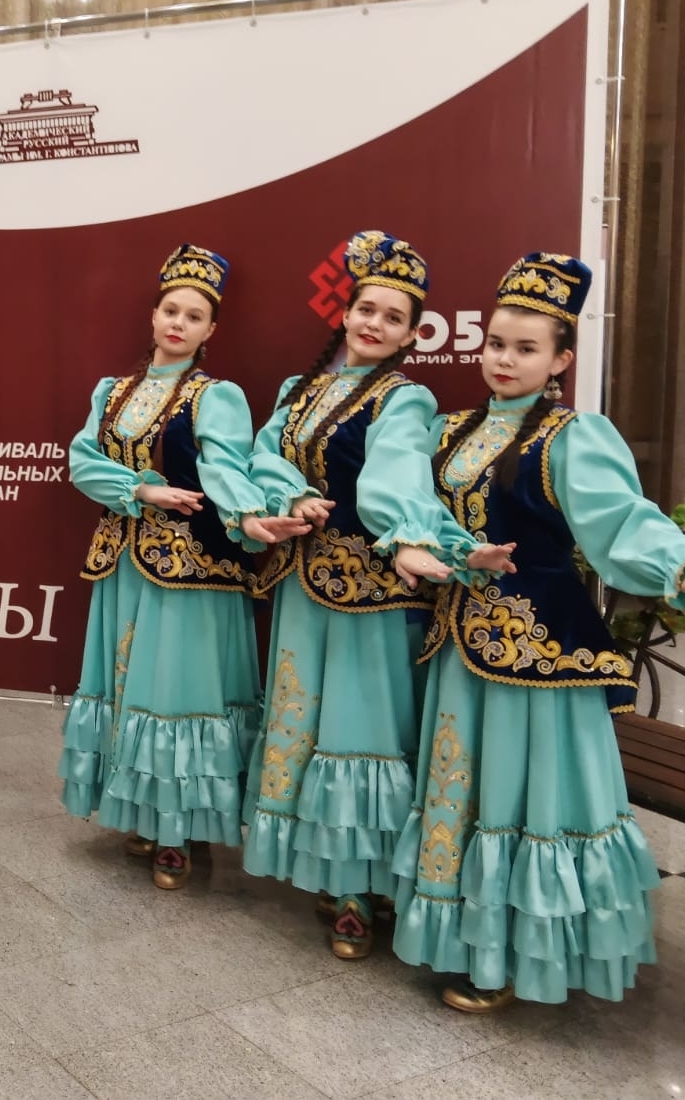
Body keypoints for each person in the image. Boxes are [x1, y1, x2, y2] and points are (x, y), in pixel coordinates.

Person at [390, 253, 685, 1012]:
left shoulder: (572, 437)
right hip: (460, 644)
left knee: (529, 798)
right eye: (496, 344)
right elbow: (413, 510)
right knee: (466, 789)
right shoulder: (451, 430)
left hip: (540, 652)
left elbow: (620, 519)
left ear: (559, 360)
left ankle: (518, 955)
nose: (504, 360)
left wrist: (681, 566)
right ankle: (470, 942)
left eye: (526, 348)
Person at [241, 230, 506, 959]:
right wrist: (290, 495)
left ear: (411, 334)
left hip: (376, 589)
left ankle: (365, 883)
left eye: (394, 318)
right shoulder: (298, 391)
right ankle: (329, 869)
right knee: (305, 720)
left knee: (364, 731)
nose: (375, 324)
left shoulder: (406, 398)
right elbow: (264, 454)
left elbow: (396, 476)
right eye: (367, 309)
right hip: (302, 582)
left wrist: (408, 538)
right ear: (345, 311)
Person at [59, 246, 310, 888]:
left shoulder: (216, 396)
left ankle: (180, 831)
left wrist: (249, 515)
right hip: (124, 560)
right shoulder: (112, 392)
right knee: (129, 690)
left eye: (194, 316)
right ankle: (143, 815)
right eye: (171, 310)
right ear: (153, 315)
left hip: (191, 566)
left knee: (175, 694)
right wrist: (142, 489)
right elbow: (83, 461)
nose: (179, 323)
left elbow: (226, 467)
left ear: (210, 330)